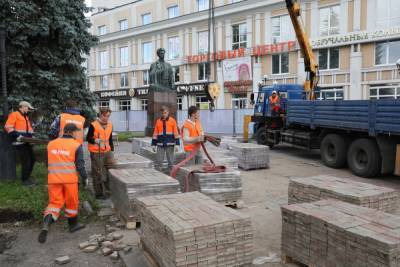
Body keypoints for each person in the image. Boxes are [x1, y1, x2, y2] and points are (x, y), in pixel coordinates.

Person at [38, 123, 87, 243]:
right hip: (70, 180)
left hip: (53, 179)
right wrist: (85, 178)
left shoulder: (51, 144)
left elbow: (47, 162)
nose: (77, 134)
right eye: (76, 132)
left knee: (54, 203)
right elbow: (80, 166)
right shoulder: (76, 145)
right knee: (72, 203)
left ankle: (46, 224)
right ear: (72, 132)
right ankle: (73, 225)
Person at [4, 101, 36, 186]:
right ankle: (24, 180)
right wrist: (17, 136)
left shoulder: (25, 117)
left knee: (32, 159)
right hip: (19, 142)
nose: (29, 110)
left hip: (27, 142)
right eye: (28, 108)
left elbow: (29, 130)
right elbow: (8, 127)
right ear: (22, 107)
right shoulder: (14, 114)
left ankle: (27, 177)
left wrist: (32, 138)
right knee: (27, 161)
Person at [86, 107, 115, 199]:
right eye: (106, 116)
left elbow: (109, 138)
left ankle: (109, 191)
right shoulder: (93, 125)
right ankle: (99, 194)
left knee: (111, 170)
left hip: (107, 151)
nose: (108, 118)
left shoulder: (110, 125)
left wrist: (111, 150)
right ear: (101, 115)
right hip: (96, 152)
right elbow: (88, 138)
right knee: (97, 172)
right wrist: (95, 140)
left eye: (109, 116)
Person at [151, 106, 180, 172]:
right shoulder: (158, 121)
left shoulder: (172, 121)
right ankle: (159, 174)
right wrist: (153, 144)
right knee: (159, 160)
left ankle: (171, 174)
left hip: (170, 144)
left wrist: (177, 144)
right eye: (162, 113)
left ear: (168, 112)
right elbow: (155, 133)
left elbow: (176, 133)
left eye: (165, 113)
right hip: (160, 144)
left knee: (170, 161)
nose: (164, 114)